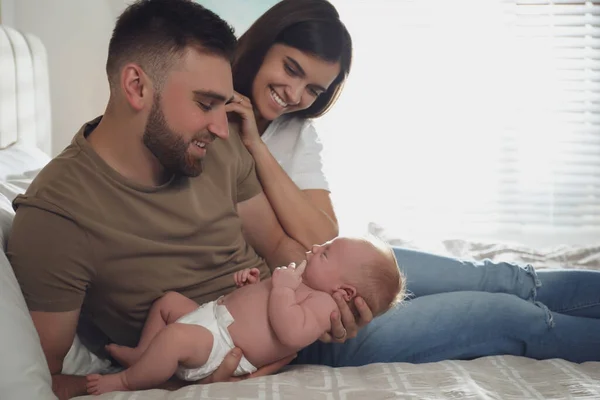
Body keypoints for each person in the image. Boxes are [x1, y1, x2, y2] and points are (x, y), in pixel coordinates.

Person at [6, 0, 600, 398]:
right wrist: (170, 371)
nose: (223, 125)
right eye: (207, 103)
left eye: (224, 102)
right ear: (137, 85)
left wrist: (332, 286)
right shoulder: (57, 216)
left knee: (503, 278)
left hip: (313, 298)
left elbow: (289, 244)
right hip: (284, 332)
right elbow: (48, 380)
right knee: (519, 319)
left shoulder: (212, 148)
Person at [85, 236, 404, 395]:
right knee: (168, 302)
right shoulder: (305, 279)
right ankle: (143, 354)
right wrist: (251, 284)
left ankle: (125, 381)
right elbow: (260, 303)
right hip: (210, 318)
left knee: (176, 338)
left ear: (344, 292)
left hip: (222, 347)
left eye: (326, 253)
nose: (316, 247)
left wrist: (280, 289)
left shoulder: (324, 307)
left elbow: (290, 334)